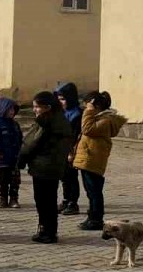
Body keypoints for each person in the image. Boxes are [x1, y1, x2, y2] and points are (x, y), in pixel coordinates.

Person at [18, 91, 73, 244]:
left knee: (43, 201)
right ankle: (50, 231)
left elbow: (31, 144)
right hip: (55, 166)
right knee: (50, 200)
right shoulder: (60, 119)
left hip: (43, 166)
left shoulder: (45, 122)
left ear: (47, 107)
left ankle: (46, 231)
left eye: (37, 107)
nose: (34, 110)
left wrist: (20, 160)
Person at [73, 91, 126, 231]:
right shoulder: (99, 118)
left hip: (93, 159)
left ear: (95, 105)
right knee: (91, 191)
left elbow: (87, 129)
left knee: (94, 191)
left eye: (88, 105)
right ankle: (92, 216)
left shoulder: (105, 120)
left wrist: (88, 112)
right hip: (89, 159)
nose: (85, 108)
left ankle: (96, 219)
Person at [0, 98, 23, 209]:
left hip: (15, 157)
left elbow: (20, 139)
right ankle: (3, 199)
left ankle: (13, 198)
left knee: (15, 180)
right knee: (4, 180)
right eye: (9, 109)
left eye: (13, 109)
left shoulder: (15, 125)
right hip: (2, 157)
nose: (12, 112)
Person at [54, 82, 83, 216]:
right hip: (60, 150)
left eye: (63, 99)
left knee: (71, 177)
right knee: (64, 177)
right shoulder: (62, 113)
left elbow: (76, 135)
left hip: (70, 151)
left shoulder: (76, 114)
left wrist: (71, 151)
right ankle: (66, 200)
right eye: (59, 99)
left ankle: (73, 202)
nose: (61, 102)